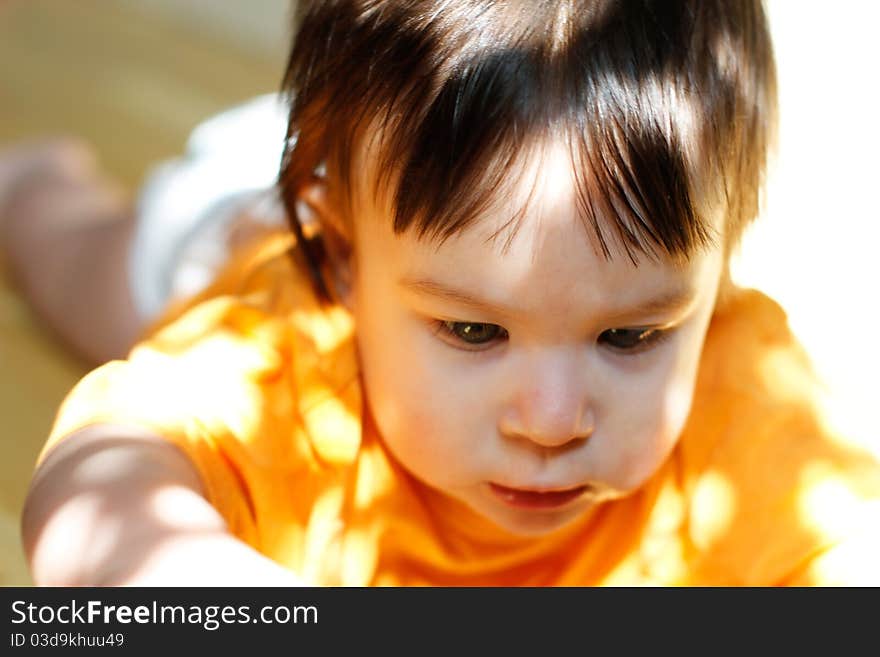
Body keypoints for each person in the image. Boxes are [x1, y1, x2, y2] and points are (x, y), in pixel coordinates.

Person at [13, 0, 880, 586]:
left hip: (411, 200)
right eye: (473, 329)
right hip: (243, 215)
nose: (551, 419)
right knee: (96, 276)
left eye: (628, 337)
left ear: (717, 274)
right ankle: (27, 183)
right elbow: (98, 492)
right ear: (347, 261)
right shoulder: (274, 357)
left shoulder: (744, 388)